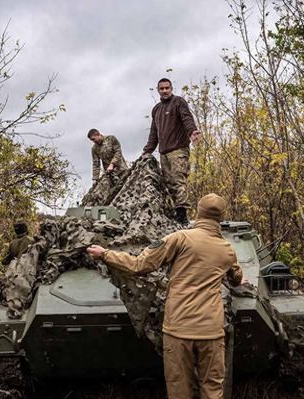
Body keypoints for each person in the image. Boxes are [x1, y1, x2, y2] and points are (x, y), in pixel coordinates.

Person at [87, 193, 243, 399]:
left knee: (179, 390)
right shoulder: (227, 250)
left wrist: (105, 254)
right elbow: (236, 278)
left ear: (198, 212)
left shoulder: (180, 238)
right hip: (211, 332)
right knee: (213, 390)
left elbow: (138, 265)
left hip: (179, 329)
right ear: (221, 218)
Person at [143, 78, 200, 225]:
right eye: (161, 89)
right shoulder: (156, 109)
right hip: (164, 152)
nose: (164, 91)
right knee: (168, 183)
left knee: (178, 180)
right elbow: (154, 133)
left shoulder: (178, 102)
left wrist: (192, 131)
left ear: (171, 88)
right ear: (158, 90)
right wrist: (147, 151)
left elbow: (186, 118)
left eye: (167, 88)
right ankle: (174, 212)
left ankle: (182, 215)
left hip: (178, 149)